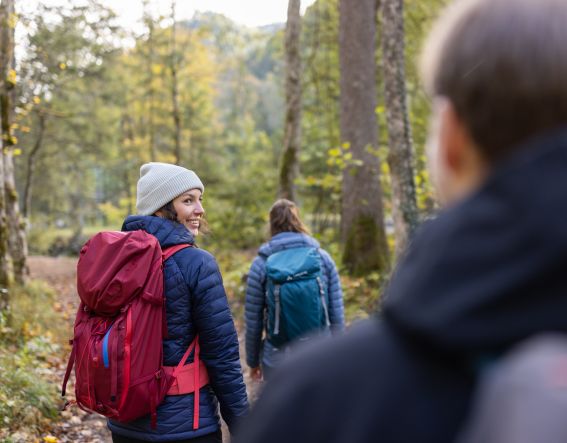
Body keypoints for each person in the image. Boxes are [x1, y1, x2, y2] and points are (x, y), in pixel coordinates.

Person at [234, 0, 567, 441]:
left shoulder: (320, 399)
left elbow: (254, 314)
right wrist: (334, 336)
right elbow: (334, 307)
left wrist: (257, 356)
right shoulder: (320, 256)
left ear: (451, 138)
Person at [108, 162, 248, 442]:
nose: (200, 209)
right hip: (186, 426)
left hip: (124, 421)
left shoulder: (117, 259)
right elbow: (222, 355)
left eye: (199, 200)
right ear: (160, 208)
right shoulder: (197, 263)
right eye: (188, 200)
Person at [244, 199, 345, 381]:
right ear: (299, 221)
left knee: (283, 408)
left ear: (271, 224)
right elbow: (336, 312)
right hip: (321, 350)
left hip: (278, 355)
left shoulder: (261, 264)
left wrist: (253, 362)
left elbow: (253, 321)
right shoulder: (323, 258)